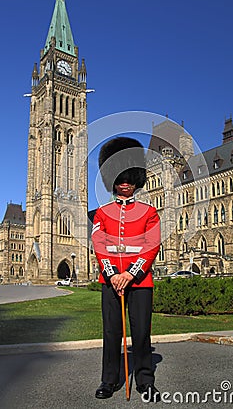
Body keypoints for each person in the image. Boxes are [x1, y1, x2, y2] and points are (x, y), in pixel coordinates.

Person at [92, 137, 161, 402]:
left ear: (136, 181)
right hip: (111, 280)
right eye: (120, 178)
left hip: (140, 281)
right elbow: (100, 245)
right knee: (111, 333)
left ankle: (145, 380)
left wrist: (130, 274)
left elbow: (150, 246)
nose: (124, 183)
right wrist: (112, 274)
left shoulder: (149, 212)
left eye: (129, 178)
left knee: (141, 331)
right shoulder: (102, 213)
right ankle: (108, 380)